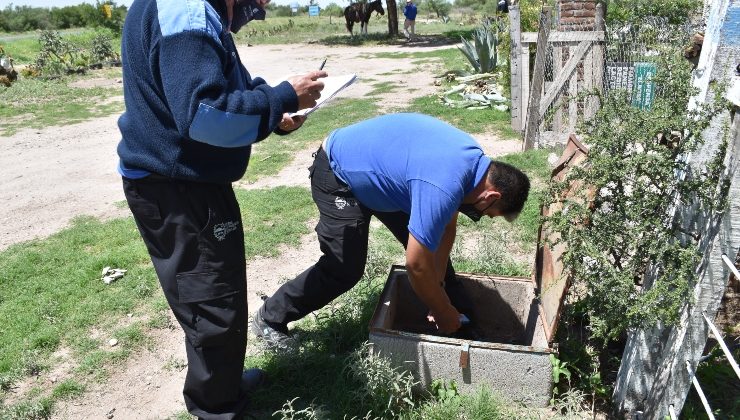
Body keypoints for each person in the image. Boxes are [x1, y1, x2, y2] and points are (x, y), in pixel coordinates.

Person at [116, 0, 327, 418]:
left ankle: (223, 385)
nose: (262, 4)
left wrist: (274, 111)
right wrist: (282, 95)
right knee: (211, 304)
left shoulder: (196, 9)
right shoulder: (188, 11)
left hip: (191, 182)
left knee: (220, 294)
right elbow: (205, 115)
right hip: (178, 188)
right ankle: (217, 409)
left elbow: (219, 96)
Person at [252, 113, 530, 349]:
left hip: (385, 181)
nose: (479, 216)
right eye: (486, 214)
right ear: (490, 196)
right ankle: (270, 318)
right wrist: (441, 308)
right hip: (340, 173)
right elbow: (416, 265)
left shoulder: (473, 166)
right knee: (344, 268)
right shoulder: (443, 185)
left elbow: (446, 228)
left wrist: (440, 290)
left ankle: (463, 330)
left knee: (437, 266)